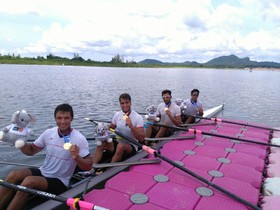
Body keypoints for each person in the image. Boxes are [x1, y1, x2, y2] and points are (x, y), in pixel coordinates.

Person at [0, 103, 92, 210]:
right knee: (13, 175)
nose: (62, 121)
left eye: (66, 118)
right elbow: (31, 151)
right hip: (43, 171)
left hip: (60, 180)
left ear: (72, 119)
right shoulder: (48, 133)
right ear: (55, 119)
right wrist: (20, 142)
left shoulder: (79, 139)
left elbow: (89, 166)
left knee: (28, 182)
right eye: (59, 118)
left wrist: (77, 158)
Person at [91, 93, 145, 167]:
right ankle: (91, 169)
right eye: (122, 103)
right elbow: (111, 127)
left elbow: (141, 138)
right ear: (120, 104)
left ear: (130, 103)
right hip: (119, 142)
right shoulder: (117, 115)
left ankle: (109, 170)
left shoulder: (138, 117)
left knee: (120, 146)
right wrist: (103, 129)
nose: (125, 105)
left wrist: (131, 126)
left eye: (127, 102)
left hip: (132, 146)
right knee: (101, 144)